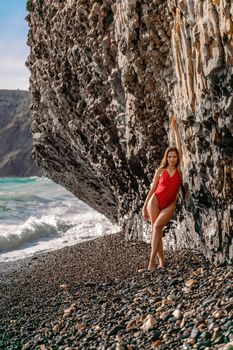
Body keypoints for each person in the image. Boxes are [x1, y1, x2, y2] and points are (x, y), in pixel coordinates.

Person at [142, 116, 183, 271]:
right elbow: (152, 189)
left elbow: (179, 147)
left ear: (177, 157)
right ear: (166, 158)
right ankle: (159, 262)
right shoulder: (161, 170)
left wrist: (175, 129)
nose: (172, 159)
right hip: (155, 201)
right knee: (156, 229)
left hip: (169, 203)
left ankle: (151, 261)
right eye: (170, 157)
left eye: (174, 157)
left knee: (158, 227)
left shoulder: (179, 170)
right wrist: (144, 206)